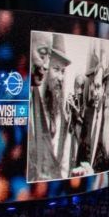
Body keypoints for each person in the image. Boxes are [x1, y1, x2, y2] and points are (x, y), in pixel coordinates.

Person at [27, 32, 72, 181]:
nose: (61, 78)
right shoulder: (29, 103)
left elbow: (61, 162)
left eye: (63, 72)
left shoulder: (62, 114)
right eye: (56, 69)